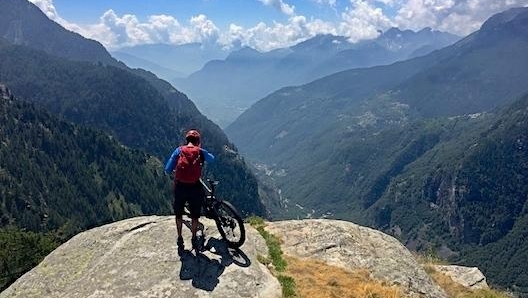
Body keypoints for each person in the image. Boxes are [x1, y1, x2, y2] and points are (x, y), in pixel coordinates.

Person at [164, 129, 215, 251]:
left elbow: (167, 169)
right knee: (195, 216)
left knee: (178, 214)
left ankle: (180, 237)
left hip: (180, 186)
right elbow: (212, 159)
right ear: (198, 141)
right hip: (194, 187)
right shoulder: (200, 151)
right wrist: (201, 152)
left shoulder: (179, 151)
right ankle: (193, 238)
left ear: (187, 140)